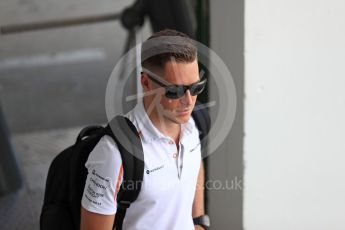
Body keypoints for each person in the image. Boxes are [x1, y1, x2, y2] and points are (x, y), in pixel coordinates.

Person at [80, 29, 209, 230]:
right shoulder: (113, 155)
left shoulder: (192, 124)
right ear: (146, 82)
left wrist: (198, 221)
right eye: (174, 90)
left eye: (196, 88)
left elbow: (194, 163)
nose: (188, 101)